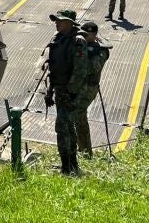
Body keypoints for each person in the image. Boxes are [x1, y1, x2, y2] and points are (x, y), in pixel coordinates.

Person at [44, 9, 89, 176]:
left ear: (70, 23)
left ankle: (67, 167)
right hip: (60, 90)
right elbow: (53, 68)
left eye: (60, 21)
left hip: (71, 93)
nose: (57, 23)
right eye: (56, 20)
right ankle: (71, 165)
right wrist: (50, 91)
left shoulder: (78, 41)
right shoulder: (58, 39)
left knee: (63, 127)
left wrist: (70, 93)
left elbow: (80, 70)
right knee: (67, 128)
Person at [74, 21, 110, 158]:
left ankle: (85, 152)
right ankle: (80, 148)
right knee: (75, 117)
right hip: (77, 87)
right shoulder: (81, 45)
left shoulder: (101, 51)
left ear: (94, 35)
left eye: (86, 35)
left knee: (79, 116)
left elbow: (90, 68)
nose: (82, 36)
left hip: (88, 89)